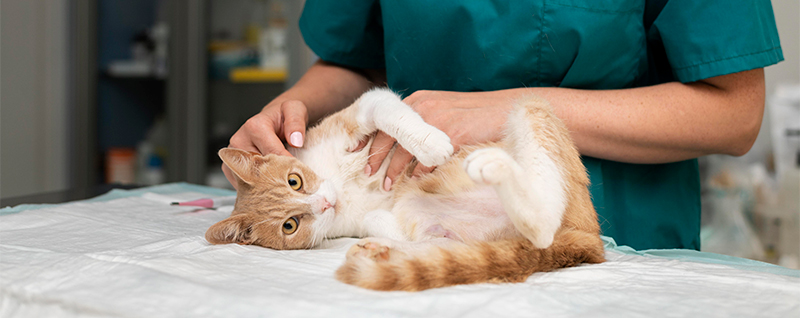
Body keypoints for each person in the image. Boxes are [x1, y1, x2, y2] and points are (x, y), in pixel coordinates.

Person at [224, 1, 783, 250]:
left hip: (608, 235)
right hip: (423, 232)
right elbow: (355, 59)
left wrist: (508, 109)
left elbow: (734, 113)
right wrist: (290, 110)